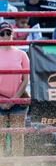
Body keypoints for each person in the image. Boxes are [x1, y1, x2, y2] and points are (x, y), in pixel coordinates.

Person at [0, 22, 29, 157]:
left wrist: (13, 100)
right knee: (0, 138)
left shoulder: (22, 54)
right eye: (2, 33)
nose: (6, 36)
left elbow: (25, 80)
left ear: (12, 35)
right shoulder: (21, 53)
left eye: (8, 33)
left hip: (17, 100)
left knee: (17, 137)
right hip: (2, 99)